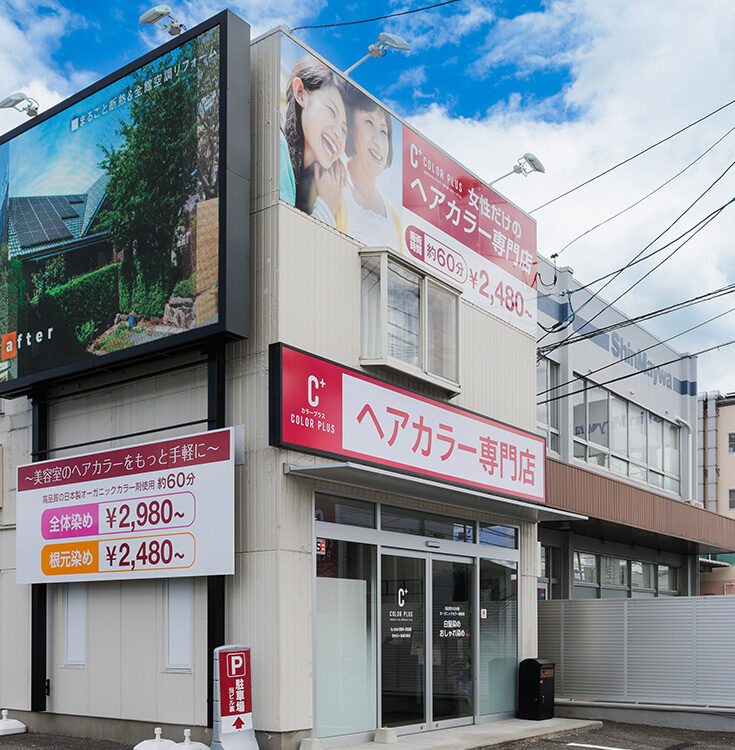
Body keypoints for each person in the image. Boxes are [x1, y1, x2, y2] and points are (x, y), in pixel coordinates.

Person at [281, 56, 348, 229]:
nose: (338, 135)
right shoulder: (277, 150)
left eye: (344, 129)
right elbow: (284, 243)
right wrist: (326, 206)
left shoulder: (313, 181)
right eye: (331, 111)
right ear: (300, 93)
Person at [342, 87, 402, 252]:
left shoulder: (392, 214)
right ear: (350, 127)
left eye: (383, 131)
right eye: (369, 122)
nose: (379, 142)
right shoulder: (333, 187)